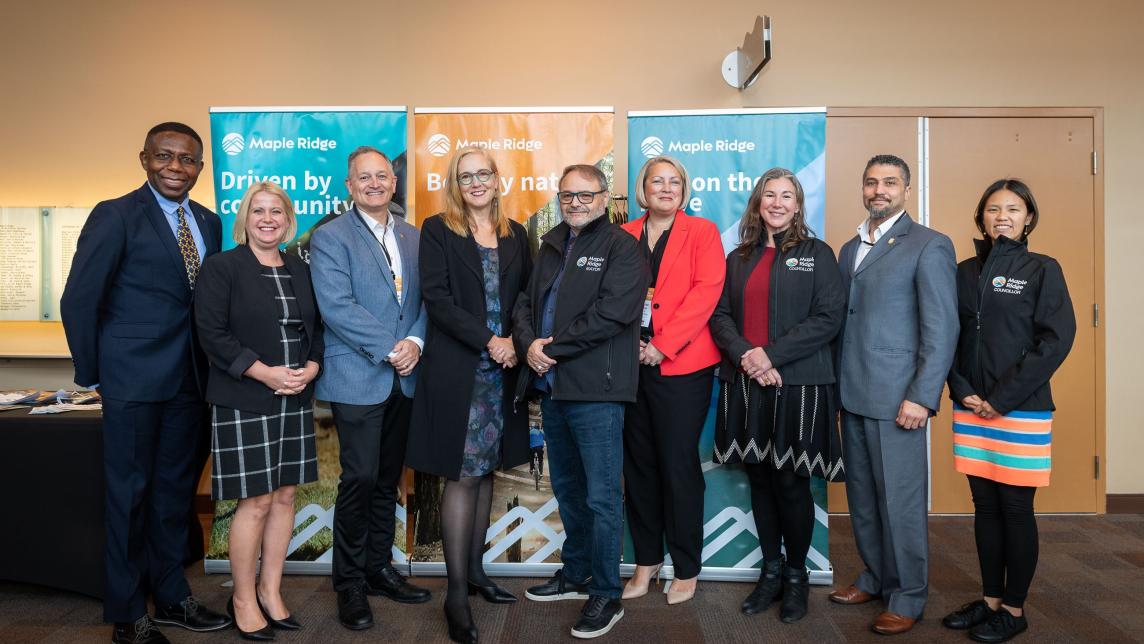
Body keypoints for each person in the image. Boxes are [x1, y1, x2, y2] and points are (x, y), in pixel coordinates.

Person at [60, 122, 231, 644]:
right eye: (165, 156)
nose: (175, 167)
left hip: (191, 381)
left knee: (173, 499)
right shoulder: (115, 215)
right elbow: (79, 300)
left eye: (187, 160)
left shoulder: (209, 220)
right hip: (131, 381)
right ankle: (128, 614)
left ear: (201, 168)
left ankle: (173, 597)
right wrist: (95, 375)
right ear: (144, 159)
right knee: (129, 500)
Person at [513, 164, 648, 639]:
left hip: (596, 391)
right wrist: (529, 343)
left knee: (602, 497)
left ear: (604, 196)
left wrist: (549, 349)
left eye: (585, 195)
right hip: (552, 389)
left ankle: (606, 595)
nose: (575, 202)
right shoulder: (550, 244)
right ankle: (577, 574)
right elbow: (524, 304)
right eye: (567, 195)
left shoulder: (622, 248)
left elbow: (613, 313)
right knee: (568, 490)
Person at [709, 167, 846, 623]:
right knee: (761, 481)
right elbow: (721, 315)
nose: (778, 203)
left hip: (799, 384)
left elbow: (828, 318)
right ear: (758, 202)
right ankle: (769, 573)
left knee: (790, 481)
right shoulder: (738, 258)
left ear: (799, 204)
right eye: (770, 195)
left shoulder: (817, 254)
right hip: (747, 382)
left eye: (787, 196)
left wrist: (770, 356)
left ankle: (795, 577)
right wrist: (749, 356)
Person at [406, 147, 532, 643]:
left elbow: (526, 296)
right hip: (462, 369)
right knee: (461, 476)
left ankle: (476, 573)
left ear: (498, 180)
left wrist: (515, 344)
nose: (476, 182)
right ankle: (456, 594)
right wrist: (491, 341)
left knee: (485, 475)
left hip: (504, 373)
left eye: (484, 174)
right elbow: (436, 300)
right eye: (466, 176)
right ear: (455, 185)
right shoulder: (439, 230)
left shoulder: (517, 234)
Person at [941, 179, 1075, 643]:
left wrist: (1002, 397)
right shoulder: (961, 271)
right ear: (981, 217)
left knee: (1016, 508)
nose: (1002, 215)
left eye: (1013, 209)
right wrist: (962, 389)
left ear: (1028, 218)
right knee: (984, 505)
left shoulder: (1042, 268)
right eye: (993, 208)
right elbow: (947, 338)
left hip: (1020, 409)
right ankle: (991, 600)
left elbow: (1055, 340)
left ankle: (1014, 609)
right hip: (971, 406)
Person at [829, 154, 958, 635]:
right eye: (870, 182)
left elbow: (941, 328)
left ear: (906, 189)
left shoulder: (929, 245)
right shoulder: (849, 249)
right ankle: (876, 577)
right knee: (863, 499)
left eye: (889, 182)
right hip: (854, 393)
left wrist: (922, 396)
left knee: (900, 503)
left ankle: (907, 596)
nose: (878, 190)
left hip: (899, 398)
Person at [194, 182, 323, 640]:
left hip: (294, 395)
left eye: (276, 212)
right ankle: (243, 598)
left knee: (286, 496)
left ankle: (271, 590)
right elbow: (211, 333)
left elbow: (317, 327)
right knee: (256, 502)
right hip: (246, 396)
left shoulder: (299, 268)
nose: (267, 219)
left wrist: (310, 367)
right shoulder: (223, 267)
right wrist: (265, 373)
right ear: (244, 218)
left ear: (289, 220)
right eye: (258, 211)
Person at [309, 146, 431, 631]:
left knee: (387, 480)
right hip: (358, 376)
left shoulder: (414, 237)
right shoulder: (331, 237)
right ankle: (349, 584)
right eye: (365, 177)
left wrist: (416, 340)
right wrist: (392, 348)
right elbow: (336, 306)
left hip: (405, 377)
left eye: (382, 176)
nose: (375, 183)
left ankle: (379, 568)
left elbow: (427, 299)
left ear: (394, 183)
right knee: (358, 479)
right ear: (350, 185)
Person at [617, 156, 725, 605]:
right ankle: (646, 561)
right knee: (638, 465)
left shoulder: (702, 232)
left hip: (682, 365)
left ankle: (686, 565)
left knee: (678, 465)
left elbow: (707, 292)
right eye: (656, 181)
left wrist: (662, 345)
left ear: (684, 188)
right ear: (643, 188)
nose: (665, 188)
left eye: (674, 181)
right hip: (627, 365)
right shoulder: (622, 235)